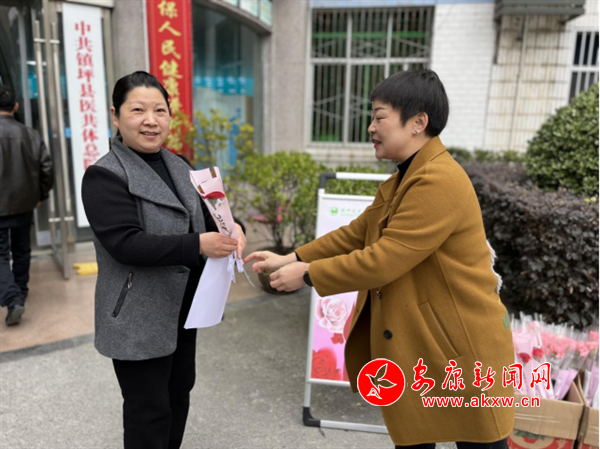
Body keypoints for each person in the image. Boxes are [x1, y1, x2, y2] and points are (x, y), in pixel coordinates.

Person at [245, 70, 515, 448]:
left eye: (379, 116)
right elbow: (356, 234)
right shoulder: (401, 180)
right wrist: (290, 256)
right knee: (416, 434)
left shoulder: (438, 180)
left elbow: (385, 259)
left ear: (418, 122)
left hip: (462, 348)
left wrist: (306, 274)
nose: (371, 127)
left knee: (478, 442)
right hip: (428, 344)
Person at [81, 71, 246, 449]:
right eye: (137, 110)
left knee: (178, 394)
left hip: (184, 309)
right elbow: (126, 244)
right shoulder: (104, 176)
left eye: (159, 110)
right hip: (136, 313)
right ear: (115, 115)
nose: (151, 120)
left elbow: (207, 218)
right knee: (148, 410)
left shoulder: (181, 165)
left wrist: (233, 227)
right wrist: (198, 245)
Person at [0, 85, 53, 326]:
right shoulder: (31, 135)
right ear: (16, 106)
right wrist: (41, 194)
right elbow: (46, 168)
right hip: (24, 204)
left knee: (1, 255)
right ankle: (20, 293)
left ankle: (13, 300)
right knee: (22, 251)